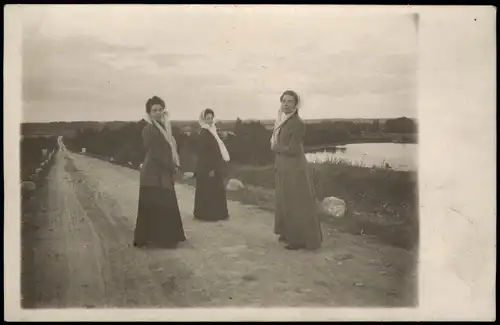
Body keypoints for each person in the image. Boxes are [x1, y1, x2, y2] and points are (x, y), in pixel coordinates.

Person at [271, 90, 323, 250]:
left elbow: (293, 149)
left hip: (294, 167)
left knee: (296, 203)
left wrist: (275, 147)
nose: (286, 104)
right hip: (283, 165)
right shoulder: (281, 119)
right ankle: (288, 233)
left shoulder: (298, 123)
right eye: (284, 101)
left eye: (290, 101)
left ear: (296, 104)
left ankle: (299, 239)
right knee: (284, 200)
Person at [133, 96, 186, 248]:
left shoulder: (165, 128)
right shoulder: (148, 129)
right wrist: (172, 166)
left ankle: (166, 238)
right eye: (154, 110)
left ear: (164, 110)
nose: (158, 112)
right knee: (158, 203)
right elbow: (156, 153)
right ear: (149, 113)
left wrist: (173, 164)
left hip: (163, 171)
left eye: (160, 109)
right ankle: (161, 240)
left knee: (164, 202)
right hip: (153, 172)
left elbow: (170, 149)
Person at [193, 108, 230, 221]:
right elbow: (204, 154)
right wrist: (210, 169)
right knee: (209, 190)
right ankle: (208, 215)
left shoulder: (212, 130)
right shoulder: (204, 133)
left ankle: (217, 213)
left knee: (215, 190)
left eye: (211, 118)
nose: (209, 120)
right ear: (203, 119)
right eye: (207, 118)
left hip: (214, 165)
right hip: (207, 167)